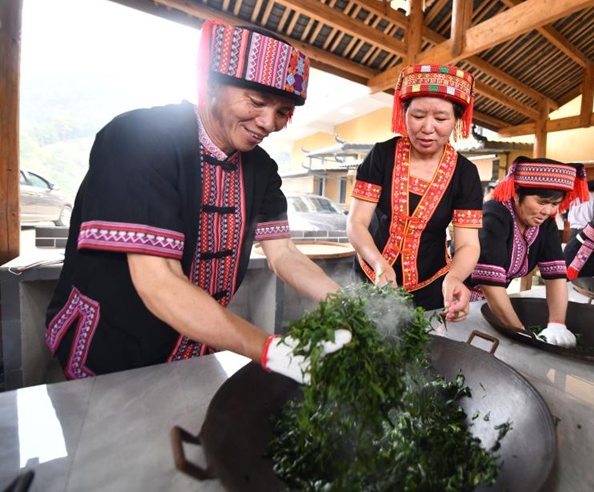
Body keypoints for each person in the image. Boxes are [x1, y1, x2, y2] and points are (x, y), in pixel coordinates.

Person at [44, 20, 351, 383]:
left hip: (191, 349)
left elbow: (283, 253)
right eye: (256, 101)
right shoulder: (140, 138)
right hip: (109, 349)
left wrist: (347, 304)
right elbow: (159, 281)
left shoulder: (261, 167)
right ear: (211, 85)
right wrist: (269, 350)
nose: (268, 122)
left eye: (284, 111)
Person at [347, 64, 482, 319]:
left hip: (431, 285)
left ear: (456, 120)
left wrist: (455, 277)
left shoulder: (466, 174)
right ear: (404, 112)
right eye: (418, 116)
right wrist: (378, 263)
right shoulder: (382, 155)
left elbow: (467, 244)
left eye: (441, 118)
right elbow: (356, 223)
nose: (428, 128)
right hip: (370, 273)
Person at [467, 158, 588, 347]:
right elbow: (490, 284)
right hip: (456, 297)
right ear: (516, 193)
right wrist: (521, 333)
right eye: (541, 202)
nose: (547, 211)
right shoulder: (493, 215)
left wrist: (557, 323)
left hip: (491, 302)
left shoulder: (545, 224)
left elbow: (555, 276)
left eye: (555, 204)